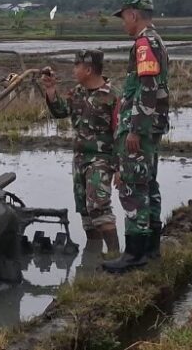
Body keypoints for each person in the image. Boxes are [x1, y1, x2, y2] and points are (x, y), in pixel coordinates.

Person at [103, 0, 169, 273]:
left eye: (124, 18)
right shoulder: (155, 40)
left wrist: (135, 129)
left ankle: (134, 253)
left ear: (133, 15)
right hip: (152, 125)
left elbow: (148, 87)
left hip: (141, 128)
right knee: (149, 183)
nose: (123, 24)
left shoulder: (144, 44)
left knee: (132, 186)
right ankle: (151, 246)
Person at [40, 50, 120, 255]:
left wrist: (120, 168)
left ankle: (114, 255)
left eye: (76, 66)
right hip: (79, 159)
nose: (73, 70)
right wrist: (50, 90)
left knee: (99, 205)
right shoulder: (77, 92)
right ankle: (92, 256)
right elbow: (60, 111)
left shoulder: (112, 96)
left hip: (101, 159)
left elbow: (121, 133)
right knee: (85, 209)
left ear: (88, 69)